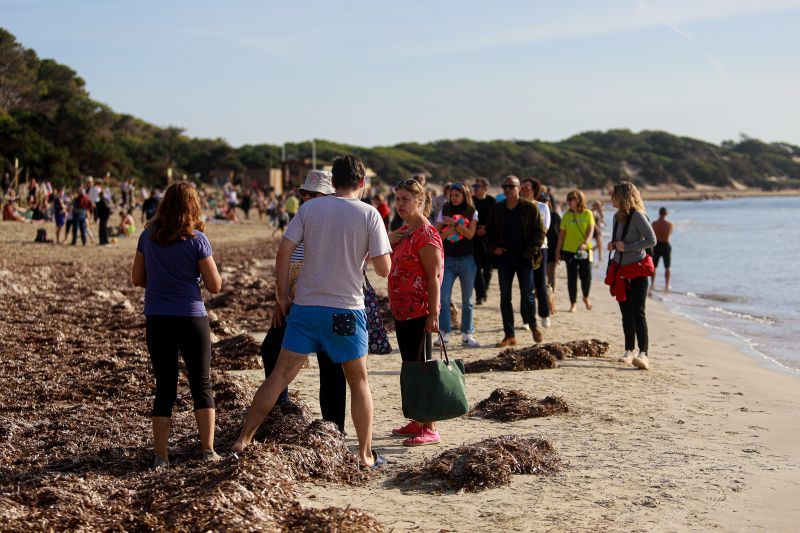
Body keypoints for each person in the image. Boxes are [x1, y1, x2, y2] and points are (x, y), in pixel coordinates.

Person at [231, 155, 392, 469]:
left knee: (278, 377)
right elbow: (384, 269)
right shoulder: (369, 214)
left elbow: (283, 252)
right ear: (362, 183)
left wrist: (281, 296)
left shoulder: (309, 209)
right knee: (358, 382)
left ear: (333, 182)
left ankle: (243, 440)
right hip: (345, 310)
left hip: (305, 308)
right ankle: (364, 455)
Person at [130, 181, 223, 467]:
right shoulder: (197, 240)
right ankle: (208, 450)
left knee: (165, 387)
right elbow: (215, 285)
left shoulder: (147, 236)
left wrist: (162, 279)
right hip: (191, 316)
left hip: (158, 317)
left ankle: (161, 456)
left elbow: (138, 278)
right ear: (193, 206)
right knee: (201, 383)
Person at [259, 170, 348, 432]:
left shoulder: (336, 222)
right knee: (271, 349)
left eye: (314, 194)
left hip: (330, 304)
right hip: (296, 304)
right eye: (305, 194)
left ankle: (335, 427)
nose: (307, 198)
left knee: (331, 364)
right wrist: (280, 298)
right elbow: (285, 259)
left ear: (328, 196)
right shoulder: (301, 218)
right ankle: (280, 409)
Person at [387, 178, 444, 446]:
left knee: (422, 367)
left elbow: (434, 277)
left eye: (405, 199)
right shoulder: (403, 231)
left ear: (420, 202)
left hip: (420, 311)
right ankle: (418, 420)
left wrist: (433, 314)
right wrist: (389, 239)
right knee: (410, 367)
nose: (399, 204)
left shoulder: (426, 234)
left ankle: (430, 426)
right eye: (397, 198)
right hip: (402, 310)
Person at [486, 176, 546, 347]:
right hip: (504, 258)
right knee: (505, 297)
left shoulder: (529, 208)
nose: (507, 189)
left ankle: (533, 326)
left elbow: (540, 233)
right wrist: (493, 248)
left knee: (527, 295)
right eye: (505, 186)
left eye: (511, 186)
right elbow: (489, 232)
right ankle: (509, 335)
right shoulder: (497, 209)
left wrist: (529, 252)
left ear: (519, 188)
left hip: (525, 258)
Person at [606, 182, 657, 370]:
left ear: (624, 196)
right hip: (620, 270)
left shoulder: (638, 216)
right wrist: (612, 245)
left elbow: (652, 240)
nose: (611, 197)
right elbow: (620, 241)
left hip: (637, 270)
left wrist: (627, 247)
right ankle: (629, 350)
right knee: (625, 312)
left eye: (614, 194)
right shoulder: (615, 217)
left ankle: (644, 354)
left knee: (638, 312)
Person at [434, 182, 479, 347]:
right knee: (444, 298)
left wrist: (453, 224)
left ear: (464, 196)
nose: (453, 198)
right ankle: (444, 333)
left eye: (457, 195)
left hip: (467, 260)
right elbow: (437, 235)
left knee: (467, 300)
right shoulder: (444, 210)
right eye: (451, 195)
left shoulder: (472, 212)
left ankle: (467, 334)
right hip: (448, 260)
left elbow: (469, 234)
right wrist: (448, 230)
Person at [555, 189, 595, 312]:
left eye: (571, 199)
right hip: (569, 250)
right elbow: (561, 235)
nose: (569, 202)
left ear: (579, 200)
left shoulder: (588, 213)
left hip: (585, 250)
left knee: (587, 277)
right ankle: (573, 303)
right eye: (568, 199)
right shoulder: (567, 215)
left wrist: (585, 243)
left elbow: (591, 231)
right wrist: (557, 252)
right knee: (572, 278)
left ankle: (585, 297)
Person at [521, 178, 552, 329]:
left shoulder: (543, 207)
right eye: (522, 187)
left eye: (527, 188)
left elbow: (544, 229)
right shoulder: (518, 207)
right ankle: (527, 319)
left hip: (540, 248)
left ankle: (545, 315)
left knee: (540, 283)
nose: (524, 190)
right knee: (526, 285)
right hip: (522, 249)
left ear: (534, 190)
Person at [471, 177, 496, 305]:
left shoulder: (492, 201)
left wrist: (486, 228)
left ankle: (484, 291)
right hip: (473, 237)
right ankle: (480, 295)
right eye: (473, 187)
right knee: (476, 267)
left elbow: (496, 220)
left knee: (488, 268)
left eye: (477, 187)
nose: (474, 189)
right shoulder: (471, 201)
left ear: (485, 188)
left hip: (488, 238)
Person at [651, 207, 674, 292]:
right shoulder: (669, 224)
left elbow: (652, 235)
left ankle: (652, 284)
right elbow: (670, 233)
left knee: (654, 266)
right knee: (667, 267)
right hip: (665, 245)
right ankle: (667, 285)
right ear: (666, 214)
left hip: (657, 245)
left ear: (659, 213)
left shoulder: (654, 223)